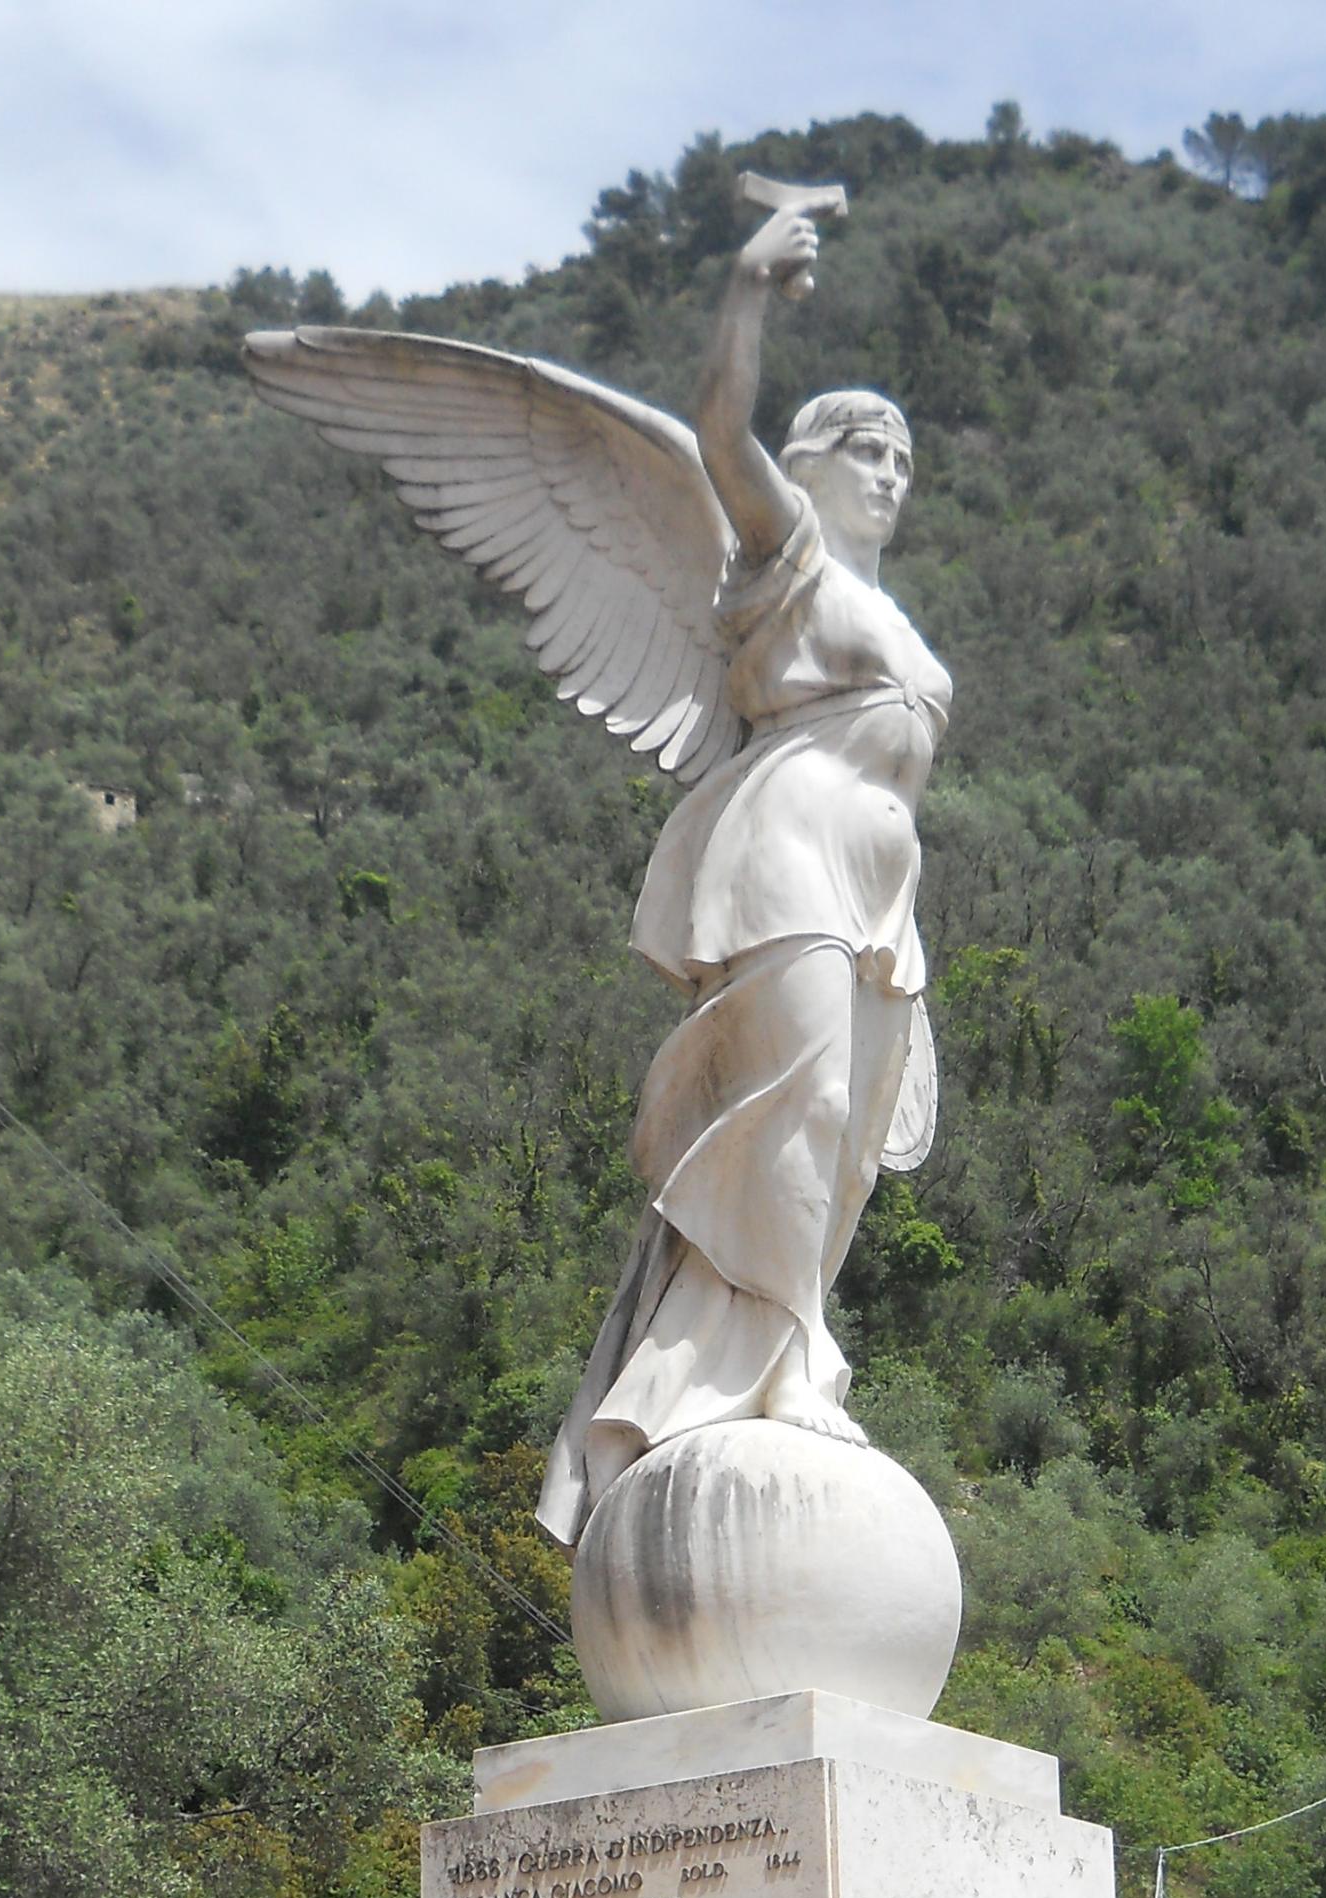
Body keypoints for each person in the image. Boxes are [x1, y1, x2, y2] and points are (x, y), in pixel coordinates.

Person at [536, 205, 953, 1549]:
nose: (890, 472)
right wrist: (746, 294)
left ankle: (772, 1341)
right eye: (864, 449)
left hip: (882, 894)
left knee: (841, 1159)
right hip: (791, 854)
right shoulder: (787, 558)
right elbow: (717, 432)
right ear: (815, 467)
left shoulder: (890, 614)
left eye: (905, 455)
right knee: (803, 1098)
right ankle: (790, 1357)